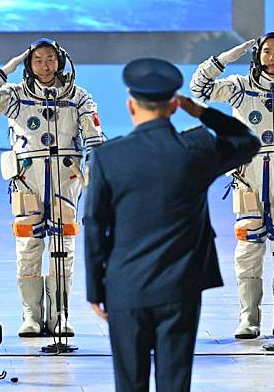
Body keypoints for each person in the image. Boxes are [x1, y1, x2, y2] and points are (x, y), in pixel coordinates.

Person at [84, 58, 260, 392]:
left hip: (126, 288)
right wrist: (202, 113)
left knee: (130, 384)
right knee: (174, 383)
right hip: (180, 288)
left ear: (131, 105)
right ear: (174, 105)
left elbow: (95, 224)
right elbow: (248, 142)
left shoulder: (109, 156)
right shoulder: (197, 149)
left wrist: (96, 289)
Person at [190, 33, 274, 339]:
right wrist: (225, 58)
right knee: (249, 246)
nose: (273, 57)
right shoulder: (240, 88)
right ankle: (248, 317)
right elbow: (199, 88)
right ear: (258, 55)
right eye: (266, 51)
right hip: (248, 175)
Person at [0, 38, 103, 337]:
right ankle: (31, 314)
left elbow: (94, 136)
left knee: (63, 248)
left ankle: (60, 315)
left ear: (61, 61)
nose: (46, 66)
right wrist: (7, 68)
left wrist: (96, 172)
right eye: (38, 60)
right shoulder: (15, 96)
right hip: (27, 180)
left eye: (51, 59)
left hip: (66, 179)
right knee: (29, 247)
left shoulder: (79, 97)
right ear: (30, 64)